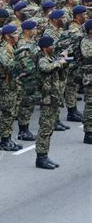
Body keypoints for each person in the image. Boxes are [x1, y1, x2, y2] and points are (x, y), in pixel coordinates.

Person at [35, 36, 67, 169]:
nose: (53, 47)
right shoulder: (43, 59)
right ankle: (41, 158)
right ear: (45, 48)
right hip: (47, 99)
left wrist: (62, 62)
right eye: (51, 45)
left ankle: (45, 155)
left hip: (53, 98)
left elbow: (60, 76)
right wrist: (59, 63)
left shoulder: (51, 58)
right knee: (45, 128)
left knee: (49, 129)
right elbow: (45, 68)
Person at [81, 20, 92, 144]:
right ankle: (88, 133)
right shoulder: (86, 41)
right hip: (89, 78)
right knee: (90, 105)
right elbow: (88, 54)